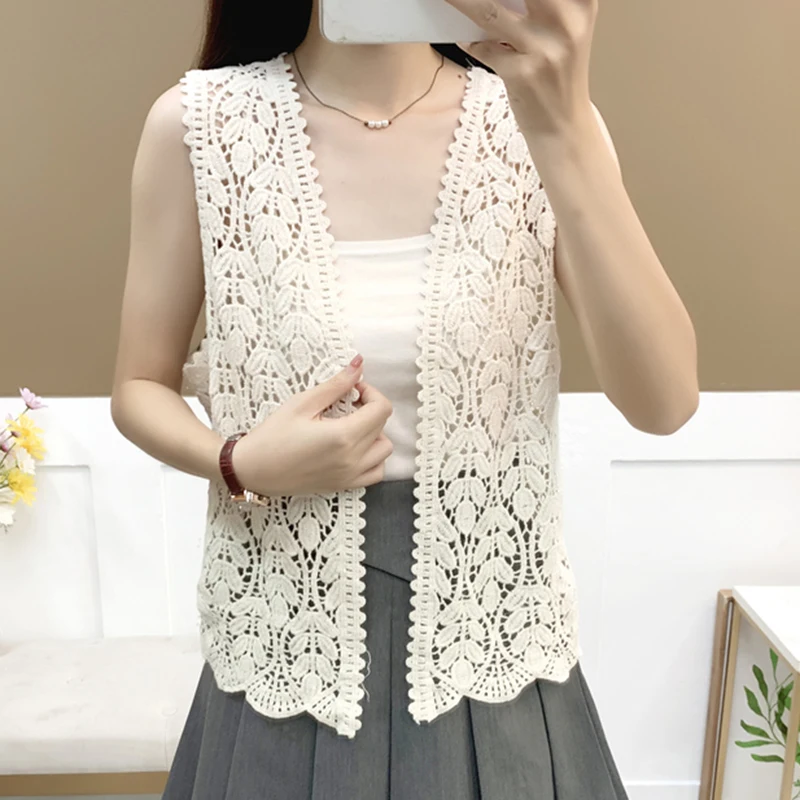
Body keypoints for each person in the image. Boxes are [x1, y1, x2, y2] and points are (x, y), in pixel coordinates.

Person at [111, 0, 699, 796]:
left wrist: (563, 129)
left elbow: (665, 402)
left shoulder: (539, 123)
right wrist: (239, 462)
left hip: (495, 650)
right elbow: (138, 385)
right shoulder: (200, 126)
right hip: (284, 652)